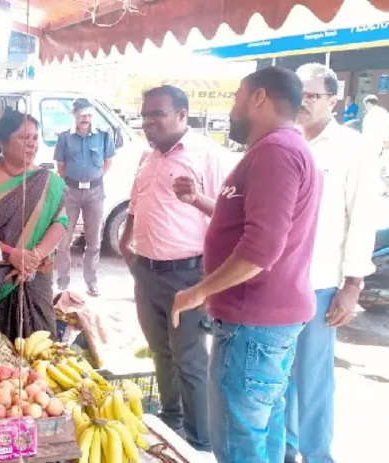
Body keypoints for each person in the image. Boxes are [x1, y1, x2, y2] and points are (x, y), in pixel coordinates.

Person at [171, 67, 322, 463]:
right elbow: (252, 223)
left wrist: (197, 291)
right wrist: (202, 201)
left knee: (239, 444)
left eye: (238, 96)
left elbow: (262, 248)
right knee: (263, 434)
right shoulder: (280, 149)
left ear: (259, 98)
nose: (234, 107)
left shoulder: (277, 151)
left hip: (252, 323)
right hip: (262, 322)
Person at [118, 85, 233, 452]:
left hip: (187, 274)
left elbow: (230, 217)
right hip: (146, 271)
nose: (148, 122)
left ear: (182, 115)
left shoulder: (207, 156)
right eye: (145, 114)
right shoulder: (147, 157)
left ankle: (200, 442)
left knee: (189, 358)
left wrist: (196, 198)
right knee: (159, 350)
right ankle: (172, 422)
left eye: (157, 114)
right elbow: (137, 202)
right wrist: (127, 236)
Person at [286, 64, 378, 463]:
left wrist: (353, 283)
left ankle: (317, 454)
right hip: (276, 283)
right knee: (279, 377)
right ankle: (286, 451)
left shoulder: (350, 148)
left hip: (320, 284)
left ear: (333, 99)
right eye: (299, 94)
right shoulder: (283, 140)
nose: (303, 102)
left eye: (312, 96)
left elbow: (362, 218)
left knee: (313, 379)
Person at [0, 108, 68, 339]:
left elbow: (60, 221)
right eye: (24, 138)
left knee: (40, 348)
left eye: (35, 138)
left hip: (34, 276)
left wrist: (33, 257)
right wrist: (11, 253)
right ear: (1, 142)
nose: (32, 144)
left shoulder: (48, 181)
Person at [55, 98, 116, 297]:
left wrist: (91, 180)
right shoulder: (64, 138)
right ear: (74, 115)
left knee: (94, 241)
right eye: (82, 115)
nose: (86, 119)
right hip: (70, 192)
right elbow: (61, 168)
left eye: (89, 115)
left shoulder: (104, 136)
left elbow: (107, 163)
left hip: (95, 193)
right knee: (63, 239)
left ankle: (92, 282)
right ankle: (62, 282)